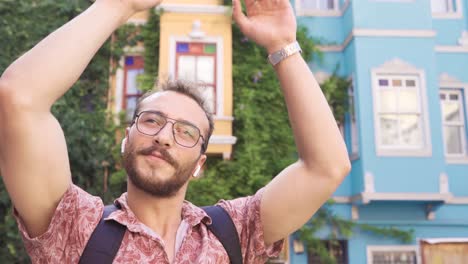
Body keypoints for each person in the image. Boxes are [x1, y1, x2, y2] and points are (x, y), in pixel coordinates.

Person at [0, 0, 351, 263]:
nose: (164, 136)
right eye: (152, 120)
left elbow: (327, 168)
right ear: (128, 136)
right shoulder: (75, 227)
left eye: (185, 132)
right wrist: (119, 5)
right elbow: (19, 98)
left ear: (200, 162)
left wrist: (282, 45)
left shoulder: (235, 232)